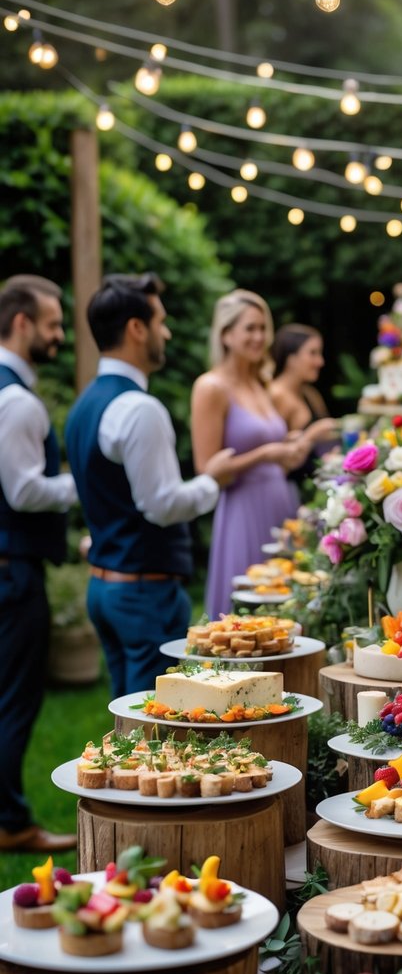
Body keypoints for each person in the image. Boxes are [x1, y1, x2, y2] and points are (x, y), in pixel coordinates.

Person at [65, 273, 234, 697]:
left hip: (105, 588)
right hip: (143, 594)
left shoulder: (84, 403)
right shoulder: (140, 408)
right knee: (150, 728)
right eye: (160, 320)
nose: (167, 331)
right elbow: (160, 504)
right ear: (136, 329)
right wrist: (213, 482)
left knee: (126, 716)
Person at [0, 275, 78, 852]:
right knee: (13, 697)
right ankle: (10, 822)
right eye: (52, 324)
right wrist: (84, 487)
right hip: (12, 567)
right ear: (21, 322)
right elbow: (24, 490)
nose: (58, 335)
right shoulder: (16, 399)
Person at [191, 291, 315, 618]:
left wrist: (293, 446)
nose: (259, 337)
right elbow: (206, 468)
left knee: (286, 615)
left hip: (279, 504)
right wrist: (264, 455)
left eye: (263, 328)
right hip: (243, 510)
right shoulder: (211, 387)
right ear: (226, 334)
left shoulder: (261, 383)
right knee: (248, 616)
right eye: (250, 328)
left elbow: (274, 450)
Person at [268, 322, 339, 486]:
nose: (320, 362)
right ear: (290, 358)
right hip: (290, 489)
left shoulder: (310, 393)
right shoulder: (275, 396)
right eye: (312, 353)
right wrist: (311, 435)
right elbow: (276, 463)